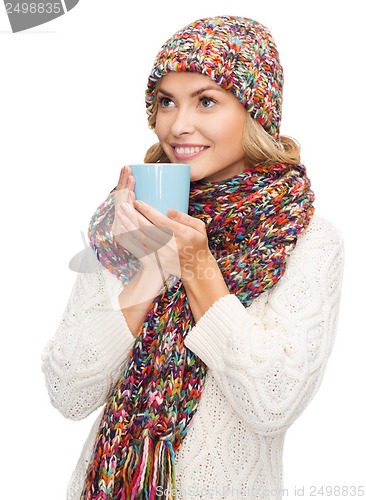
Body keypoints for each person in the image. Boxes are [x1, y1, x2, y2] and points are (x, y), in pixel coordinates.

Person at [41, 15, 344, 500]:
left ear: (254, 112)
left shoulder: (306, 238)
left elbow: (273, 401)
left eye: (206, 100)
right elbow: (68, 392)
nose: (177, 125)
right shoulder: (125, 219)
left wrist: (198, 266)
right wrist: (148, 273)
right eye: (165, 101)